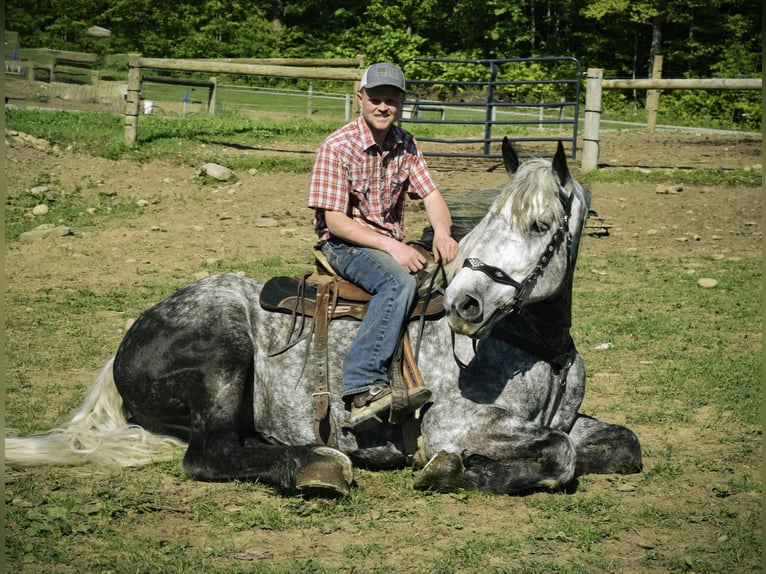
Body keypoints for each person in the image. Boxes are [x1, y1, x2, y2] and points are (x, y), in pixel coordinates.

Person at [308, 62, 459, 430]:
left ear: (401, 103)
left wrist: (442, 232)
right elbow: (336, 222)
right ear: (360, 98)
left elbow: (432, 195)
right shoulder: (337, 146)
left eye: (390, 100)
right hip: (345, 242)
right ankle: (362, 386)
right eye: (375, 99)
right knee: (398, 283)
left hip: (387, 241)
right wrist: (394, 248)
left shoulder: (406, 143)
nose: (382, 107)